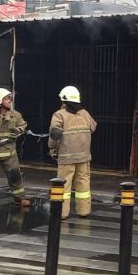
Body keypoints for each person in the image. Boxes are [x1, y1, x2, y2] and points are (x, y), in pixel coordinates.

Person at [48, 86, 96, 219]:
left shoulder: (59, 114)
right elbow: (93, 127)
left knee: (64, 185)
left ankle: (62, 213)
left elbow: (54, 134)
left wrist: (52, 149)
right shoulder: (85, 113)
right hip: (84, 156)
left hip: (66, 157)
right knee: (83, 184)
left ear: (64, 100)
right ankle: (84, 211)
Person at [0, 88, 30, 207]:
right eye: (7, 98)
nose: (10, 100)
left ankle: (20, 197)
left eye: (10, 98)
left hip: (9, 154)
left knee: (15, 176)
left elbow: (23, 125)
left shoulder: (15, 115)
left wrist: (18, 130)